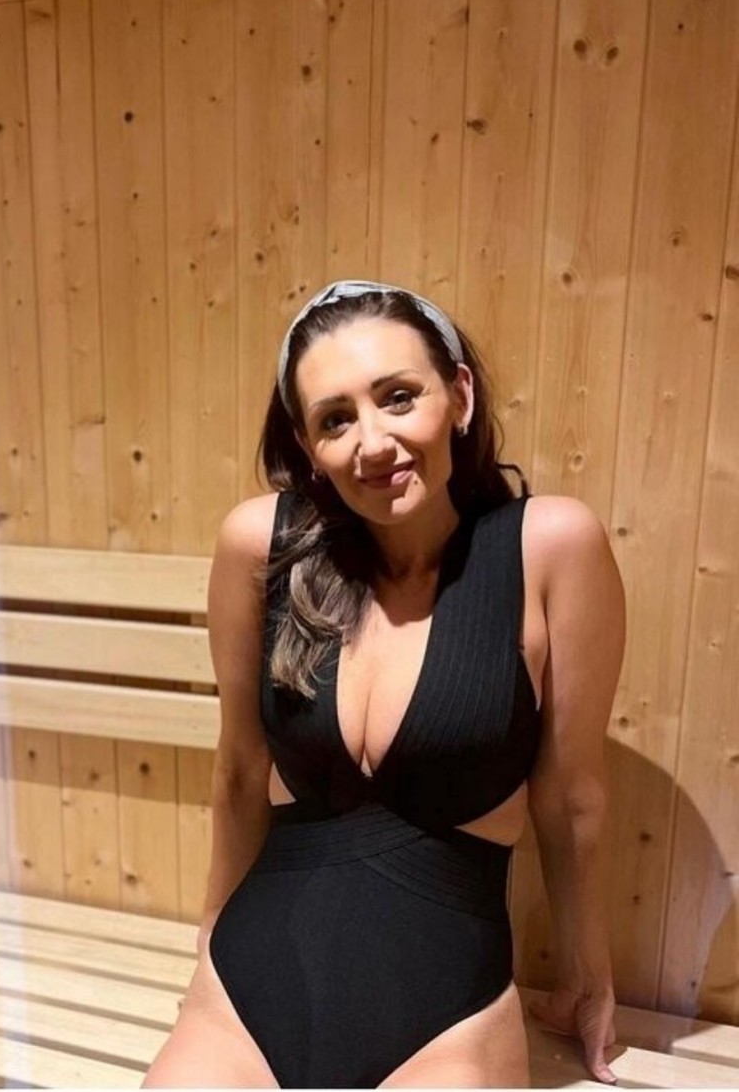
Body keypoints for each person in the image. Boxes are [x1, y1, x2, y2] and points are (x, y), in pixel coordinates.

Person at [142, 280, 625, 1089]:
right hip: (252, 985)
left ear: (459, 395)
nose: (373, 443)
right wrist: (209, 939)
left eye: (399, 397)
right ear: (308, 446)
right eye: (335, 419)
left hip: (447, 1011)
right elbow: (239, 770)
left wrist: (589, 972)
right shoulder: (263, 545)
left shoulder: (549, 546)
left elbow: (571, 796)